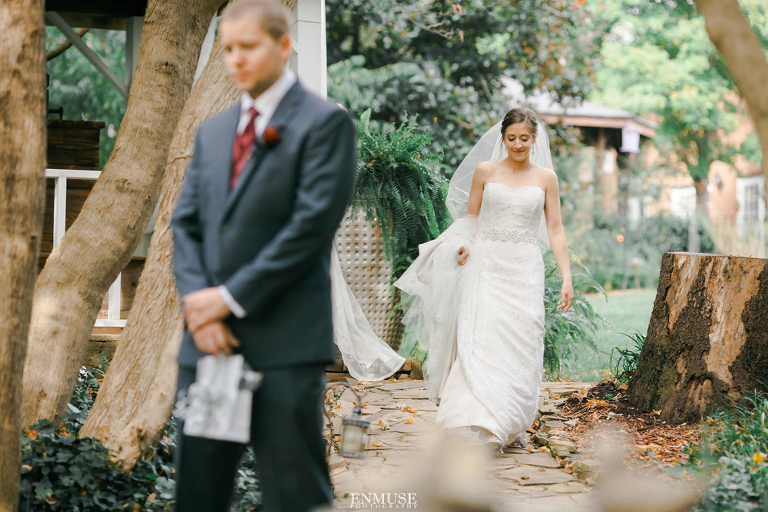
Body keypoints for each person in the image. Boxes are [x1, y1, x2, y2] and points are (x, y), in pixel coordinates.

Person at [170, 0, 356, 509]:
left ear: (282, 45)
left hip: (285, 348)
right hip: (207, 348)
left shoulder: (325, 125)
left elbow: (309, 230)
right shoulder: (211, 133)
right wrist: (199, 309)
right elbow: (183, 225)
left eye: (247, 47)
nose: (236, 59)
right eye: (228, 49)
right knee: (198, 496)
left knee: (295, 495)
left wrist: (227, 299)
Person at [395, 107, 574, 453]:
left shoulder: (546, 178)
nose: (518, 145)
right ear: (502, 138)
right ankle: (485, 424)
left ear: (534, 139)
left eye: (525, 138)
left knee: (522, 341)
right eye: (511, 138)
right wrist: (463, 247)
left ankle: (507, 422)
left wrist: (566, 277)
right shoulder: (485, 171)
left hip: (524, 268)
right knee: (483, 339)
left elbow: (554, 229)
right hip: (487, 265)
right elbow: (471, 221)